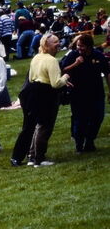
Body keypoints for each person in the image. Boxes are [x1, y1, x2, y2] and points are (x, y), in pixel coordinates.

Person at [11, 33, 72, 167]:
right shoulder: (51, 60)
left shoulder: (36, 57)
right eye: (55, 42)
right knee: (44, 126)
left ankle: (25, 157)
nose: (58, 44)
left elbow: (31, 77)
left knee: (31, 126)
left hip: (32, 92)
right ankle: (38, 158)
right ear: (47, 45)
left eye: (58, 41)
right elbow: (56, 83)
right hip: (46, 94)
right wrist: (65, 77)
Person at [60, 34, 110, 153]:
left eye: (81, 46)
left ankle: (89, 141)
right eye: (78, 45)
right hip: (78, 94)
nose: (79, 48)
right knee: (80, 120)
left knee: (98, 117)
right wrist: (75, 64)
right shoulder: (73, 55)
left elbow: (107, 73)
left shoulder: (98, 55)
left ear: (89, 46)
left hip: (96, 93)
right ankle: (79, 144)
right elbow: (62, 70)